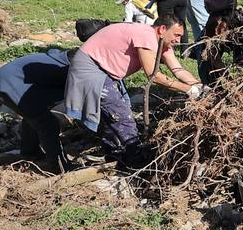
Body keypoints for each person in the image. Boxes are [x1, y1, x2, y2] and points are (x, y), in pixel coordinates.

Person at [64, 16, 204, 166]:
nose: (178, 40)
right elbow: (153, 75)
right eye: (176, 35)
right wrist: (189, 90)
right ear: (162, 29)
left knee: (116, 111)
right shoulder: (146, 35)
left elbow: (178, 69)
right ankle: (137, 160)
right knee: (121, 116)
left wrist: (200, 86)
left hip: (106, 71)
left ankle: (115, 153)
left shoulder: (162, 41)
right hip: (92, 67)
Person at [0, 48, 73, 173]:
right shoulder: (67, 69)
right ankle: (60, 168)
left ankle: (30, 153)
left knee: (34, 116)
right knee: (48, 124)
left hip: (5, 83)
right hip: (8, 86)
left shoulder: (61, 60)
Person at [197, 0, 243, 85]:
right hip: (212, 45)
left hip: (236, 40)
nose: (219, 32)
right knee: (206, 65)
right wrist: (226, 77)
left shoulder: (240, 21)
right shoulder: (212, 25)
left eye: (222, 28)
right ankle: (210, 85)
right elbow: (213, 56)